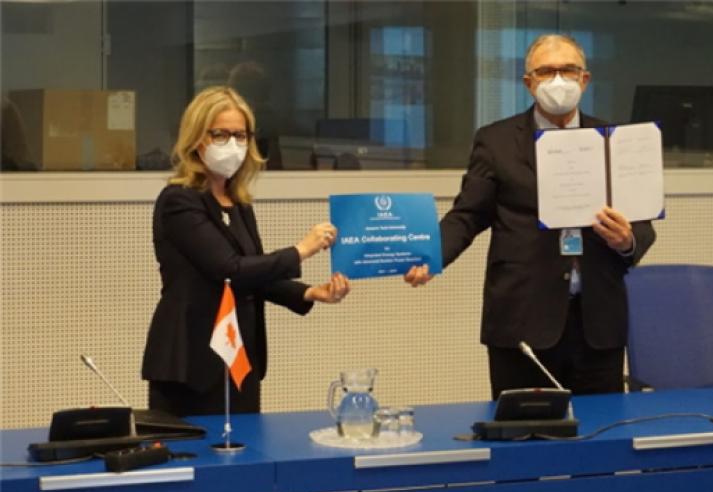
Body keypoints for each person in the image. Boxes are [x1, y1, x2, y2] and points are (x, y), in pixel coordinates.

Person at [404, 34, 656, 399]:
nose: (558, 80)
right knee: (524, 439)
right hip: (522, 321)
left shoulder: (614, 141)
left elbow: (643, 224)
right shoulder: (496, 141)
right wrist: (432, 255)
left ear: (584, 79)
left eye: (568, 70)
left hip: (597, 324)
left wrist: (627, 240)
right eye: (546, 71)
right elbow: (467, 215)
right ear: (529, 82)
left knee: (599, 441)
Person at [141, 86, 350, 416]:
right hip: (190, 364)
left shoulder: (237, 203)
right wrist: (302, 250)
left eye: (240, 136)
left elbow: (254, 274)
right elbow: (229, 270)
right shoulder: (179, 201)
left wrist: (311, 292)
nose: (233, 145)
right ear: (197, 139)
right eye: (221, 135)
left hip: (239, 360)